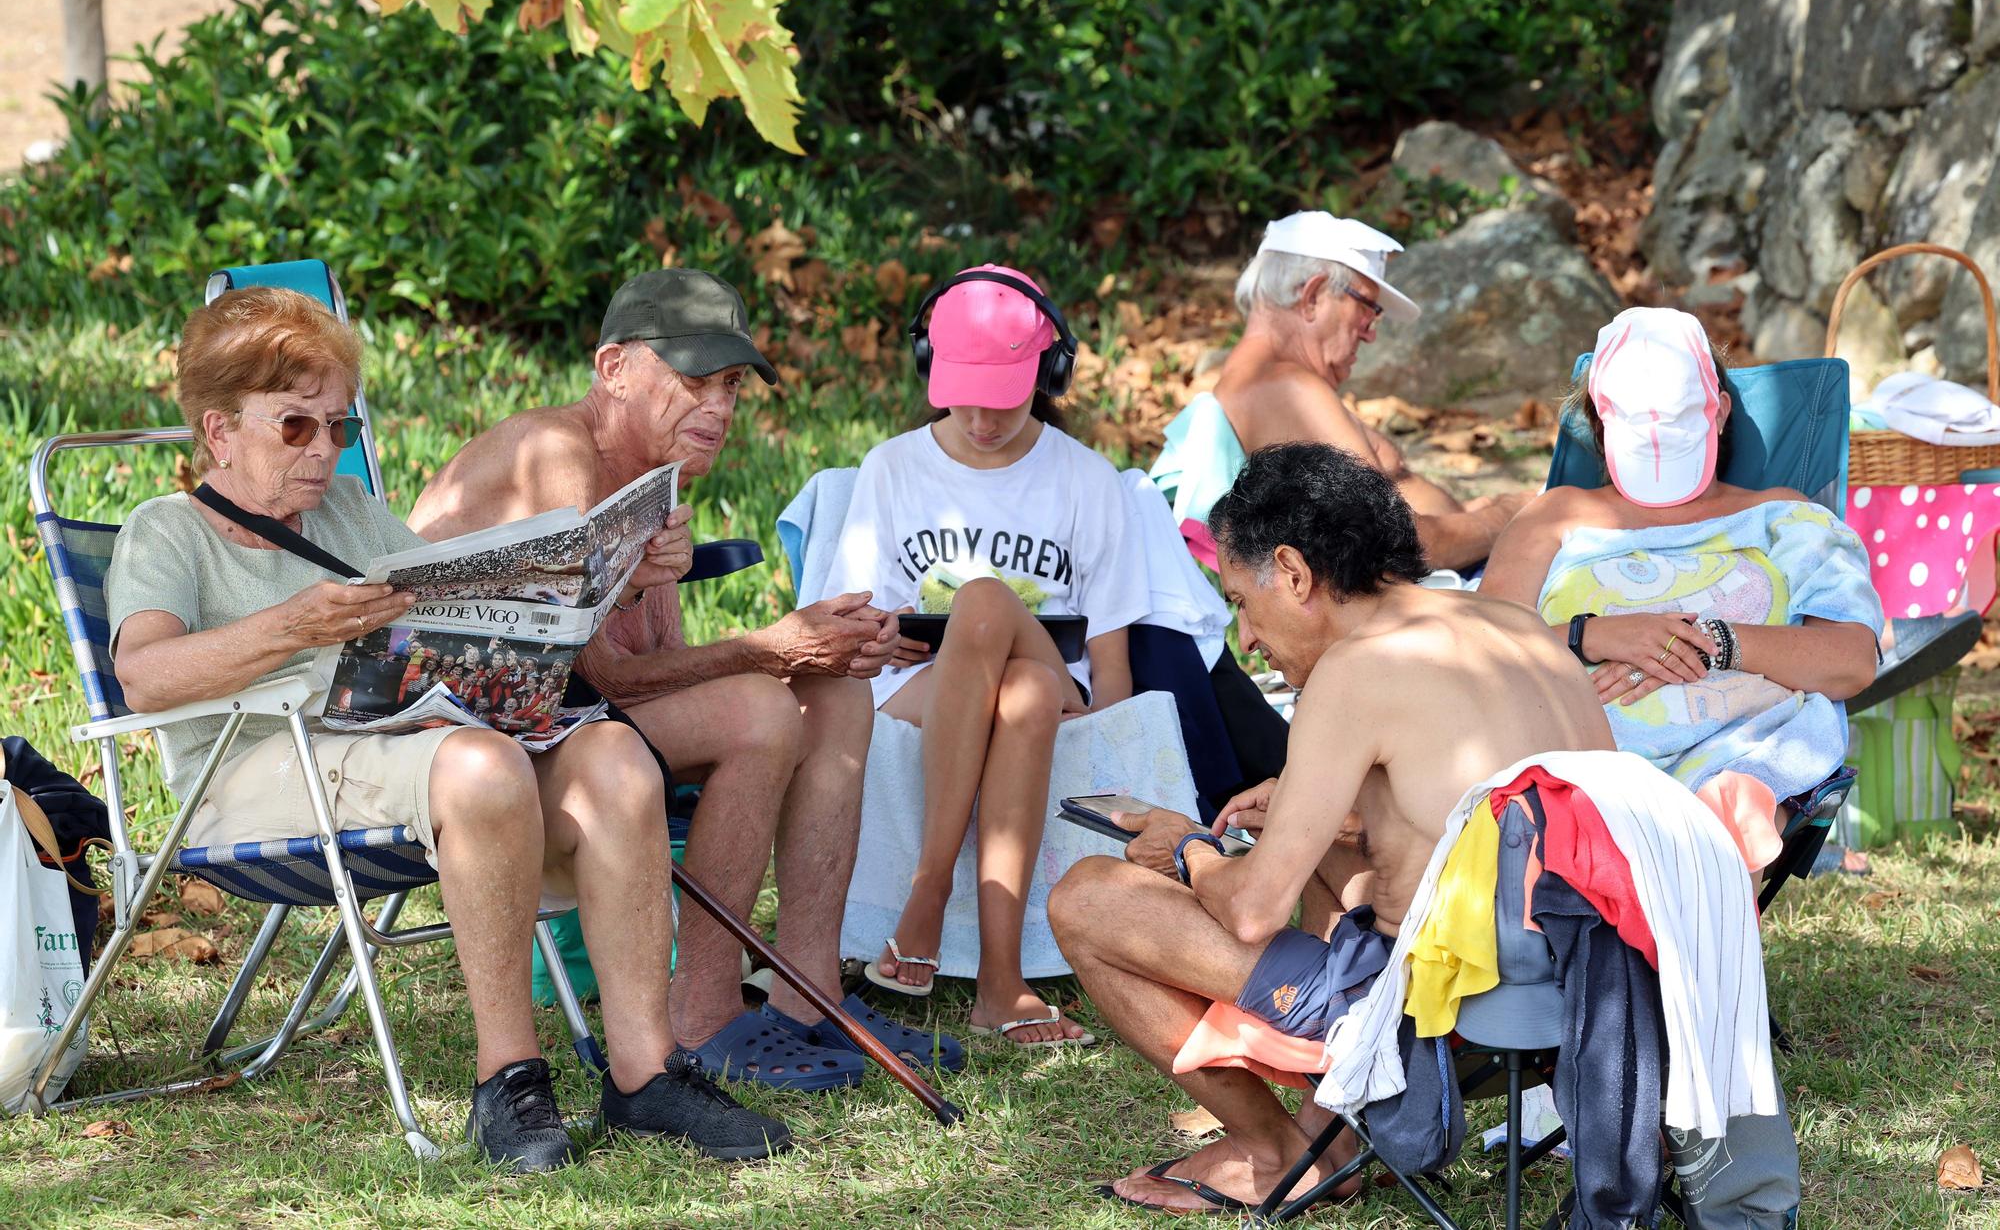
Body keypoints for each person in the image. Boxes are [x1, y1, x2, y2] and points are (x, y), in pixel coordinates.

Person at [103, 287, 788, 1172]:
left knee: (615, 756)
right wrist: (293, 627)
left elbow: (441, 610)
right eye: (295, 427)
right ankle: (507, 1077)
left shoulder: (347, 514)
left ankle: (645, 1073)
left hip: (397, 741)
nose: (323, 452)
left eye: (339, 428)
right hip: (256, 775)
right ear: (219, 430)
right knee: (480, 768)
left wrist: (609, 578)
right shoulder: (167, 531)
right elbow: (144, 675)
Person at [410, 268, 959, 1088]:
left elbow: (647, 678)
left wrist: (823, 649)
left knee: (834, 693)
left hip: (584, 733)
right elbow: (604, 682)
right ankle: (703, 1013)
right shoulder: (561, 455)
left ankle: (806, 997)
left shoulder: (654, 481)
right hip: (487, 753)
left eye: (731, 385)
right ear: (613, 368)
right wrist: (772, 649)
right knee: (760, 708)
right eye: (695, 380)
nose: (720, 407)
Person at [1047, 442, 1615, 1211]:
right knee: (1327, 842)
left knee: (1084, 897)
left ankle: (1274, 1152)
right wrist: (1322, 808)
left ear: (1294, 571)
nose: (1246, 639)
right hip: (1589, 974)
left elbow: (1251, 908)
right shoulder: (1518, 625)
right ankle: (1339, 1138)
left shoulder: (1356, 668)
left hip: (1445, 1003)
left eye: (1243, 603)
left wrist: (1190, 849)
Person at [824, 263, 1152, 1045]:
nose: (979, 417)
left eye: (1002, 396)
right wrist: (884, 631)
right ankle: (1001, 985)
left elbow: (1110, 658)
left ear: (1048, 373)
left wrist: (1113, 745)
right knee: (1021, 688)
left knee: (985, 605)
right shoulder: (892, 469)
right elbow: (852, 637)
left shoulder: (1085, 479)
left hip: (1062, 685)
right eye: (962, 391)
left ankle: (926, 895)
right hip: (919, 688)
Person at [1479, 307, 1883, 807]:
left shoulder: (1782, 516)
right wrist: (1593, 636)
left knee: (1728, 802)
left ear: (1719, 411)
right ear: (1601, 421)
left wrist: (1710, 641)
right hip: (1572, 759)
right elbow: (1480, 656)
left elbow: (1852, 660)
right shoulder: (1555, 517)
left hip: (1737, 757)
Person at [1205, 212, 1526, 570]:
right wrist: (1508, 516)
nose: (1370, 332)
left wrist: (1466, 518)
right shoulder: (1284, 389)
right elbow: (1390, 543)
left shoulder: (1263, 382)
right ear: (1312, 296)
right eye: (1367, 308)